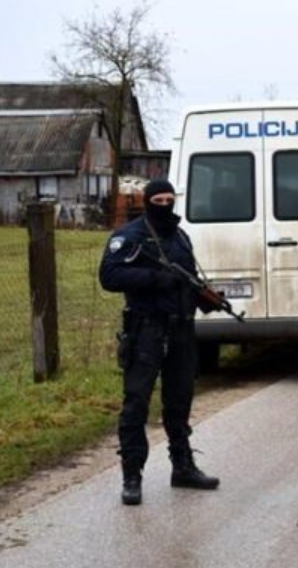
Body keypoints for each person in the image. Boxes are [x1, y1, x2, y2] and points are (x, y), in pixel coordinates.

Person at [99, 179, 220, 506]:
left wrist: (205, 299)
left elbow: (187, 279)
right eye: (158, 199)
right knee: (136, 403)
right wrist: (154, 279)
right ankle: (132, 476)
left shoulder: (181, 237)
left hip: (181, 331)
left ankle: (182, 467)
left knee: (179, 402)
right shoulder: (130, 236)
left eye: (170, 199)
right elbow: (109, 276)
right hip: (145, 332)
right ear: (148, 201)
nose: (165, 205)